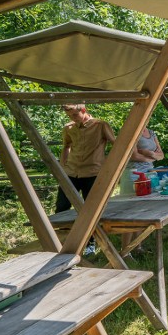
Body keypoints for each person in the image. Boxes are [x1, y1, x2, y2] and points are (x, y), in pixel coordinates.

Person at [55, 104, 116, 256]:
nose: (72, 118)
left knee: (90, 210)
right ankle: (62, 243)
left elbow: (115, 144)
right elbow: (66, 146)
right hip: (72, 172)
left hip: (93, 172)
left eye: (74, 115)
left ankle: (90, 243)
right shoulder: (69, 128)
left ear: (83, 111)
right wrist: (63, 166)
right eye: (69, 116)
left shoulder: (100, 125)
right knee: (61, 207)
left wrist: (108, 163)